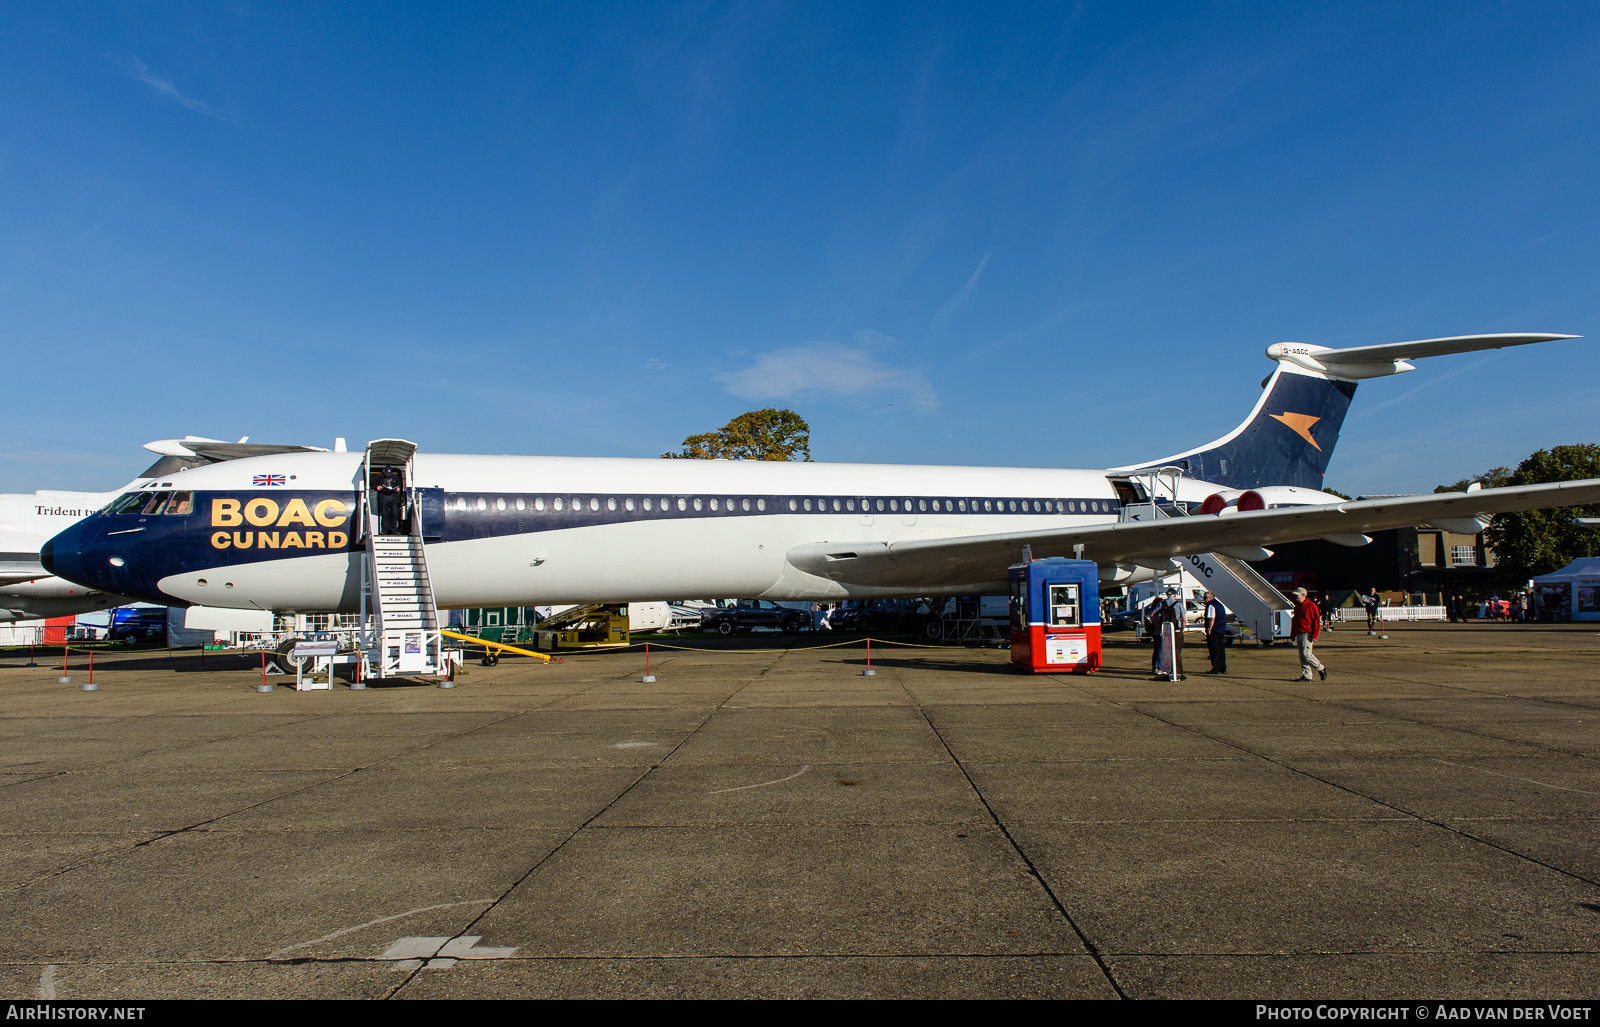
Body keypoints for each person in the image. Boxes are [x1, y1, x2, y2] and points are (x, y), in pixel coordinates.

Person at [1150, 587, 1185, 680]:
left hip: (1165, 628)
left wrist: (1158, 625)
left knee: (1163, 649)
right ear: (1174, 595)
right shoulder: (1179, 604)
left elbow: (1152, 615)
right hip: (1176, 629)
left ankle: (1162, 668)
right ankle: (1176, 669)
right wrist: (1182, 628)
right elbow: (1184, 617)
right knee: (1177, 650)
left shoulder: (1161, 603)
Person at [1291, 586, 1325, 681]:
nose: (1296, 597)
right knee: (1302, 656)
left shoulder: (1311, 605)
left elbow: (1316, 621)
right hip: (1299, 633)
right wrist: (1293, 634)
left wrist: (1315, 635)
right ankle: (1307, 676)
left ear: (1303, 595)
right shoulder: (1297, 606)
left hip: (1308, 633)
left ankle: (1321, 668)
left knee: (1307, 655)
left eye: (1297, 596)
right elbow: (1295, 621)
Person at [1203, 589, 1228, 674]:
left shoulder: (1211, 605)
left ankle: (1216, 667)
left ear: (1209, 598)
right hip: (1221, 629)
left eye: (1204, 598)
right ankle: (1222, 667)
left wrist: (1209, 628)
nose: (1204, 600)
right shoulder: (1219, 605)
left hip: (1214, 629)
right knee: (1220, 648)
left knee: (1214, 649)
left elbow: (1211, 618)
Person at [375, 466, 404, 536]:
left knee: (395, 514)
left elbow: (400, 485)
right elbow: (375, 486)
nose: (388, 475)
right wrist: (377, 487)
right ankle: (385, 529)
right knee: (385, 514)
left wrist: (398, 489)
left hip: (393, 497)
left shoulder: (395, 477)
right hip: (384, 496)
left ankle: (393, 529)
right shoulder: (379, 477)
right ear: (383, 471)